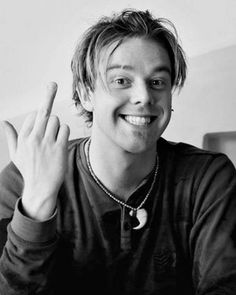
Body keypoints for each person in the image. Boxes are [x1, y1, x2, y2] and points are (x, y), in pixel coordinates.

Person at [0, 8, 236, 295]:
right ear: (87, 94)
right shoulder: (22, 179)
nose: (144, 97)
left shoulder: (208, 178)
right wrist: (36, 206)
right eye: (121, 81)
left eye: (157, 82)